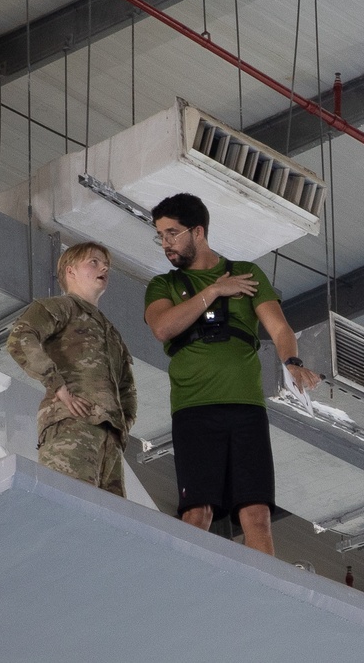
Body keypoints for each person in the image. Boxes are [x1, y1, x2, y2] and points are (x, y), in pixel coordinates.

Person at [144, 193, 321, 555]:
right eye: (160, 235)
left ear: (199, 232)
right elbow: (163, 327)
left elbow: (280, 329)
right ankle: (187, 589)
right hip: (194, 410)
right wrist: (213, 291)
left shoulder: (248, 274)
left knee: (256, 514)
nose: (166, 244)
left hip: (246, 409)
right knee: (197, 512)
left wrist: (292, 362)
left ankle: (267, 598)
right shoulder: (162, 286)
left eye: (173, 234)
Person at [7, 241, 137, 497]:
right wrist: (59, 388)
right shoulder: (61, 307)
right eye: (94, 262)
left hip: (108, 436)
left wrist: (122, 424)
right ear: (70, 271)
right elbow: (20, 338)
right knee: (71, 503)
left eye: (106, 264)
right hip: (72, 425)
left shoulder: (110, 331)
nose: (104, 268)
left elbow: (126, 388)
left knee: (108, 523)